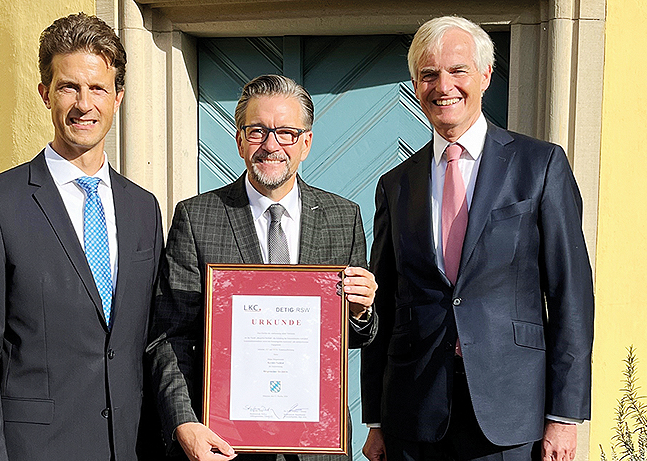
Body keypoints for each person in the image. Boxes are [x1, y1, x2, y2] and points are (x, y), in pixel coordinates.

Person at [360, 15, 594, 461]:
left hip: (512, 413)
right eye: (428, 74)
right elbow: (385, 305)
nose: (442, 85)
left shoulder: (539, 165)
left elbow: (571, 296)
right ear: (415, 84)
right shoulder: (396, 183)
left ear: (486, 75)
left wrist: (564, 416)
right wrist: (375, 419)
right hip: (414, 413)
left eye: (457, 70)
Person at [0, 13, 163, 460]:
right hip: (36, 449)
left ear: (118, 97)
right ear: (46, 93)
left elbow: (152, 339)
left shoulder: (143, 209)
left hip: (130, 447)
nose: (84, 104)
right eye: (69, 87)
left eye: (98, 88)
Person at [147, 74, 378, 461]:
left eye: (286, 132)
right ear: (239, 140)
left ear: (306, 142)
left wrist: (361, 311)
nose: (271, 145)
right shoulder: (197, 217)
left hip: (317, 448)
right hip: (224, 446)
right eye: (257, 131)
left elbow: (356, 338)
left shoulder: (344, 217)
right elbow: (168, 337)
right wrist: (183, 423)